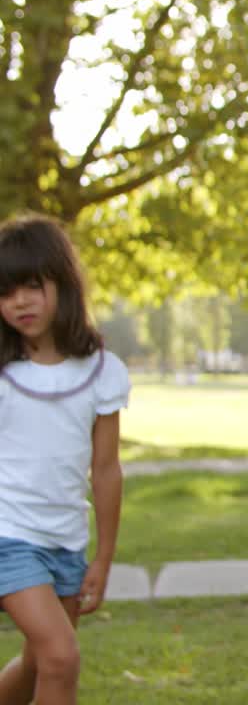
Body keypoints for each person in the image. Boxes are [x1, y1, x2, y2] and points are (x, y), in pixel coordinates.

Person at [0, 214, 130, 705]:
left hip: (65, 543)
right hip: (8, 535)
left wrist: (103, 556)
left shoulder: (101, 371)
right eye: (6, 292)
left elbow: (105, 470)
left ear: (63, 282)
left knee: (38, 665)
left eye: (31, 286)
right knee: (61, 657)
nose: (19, 302)